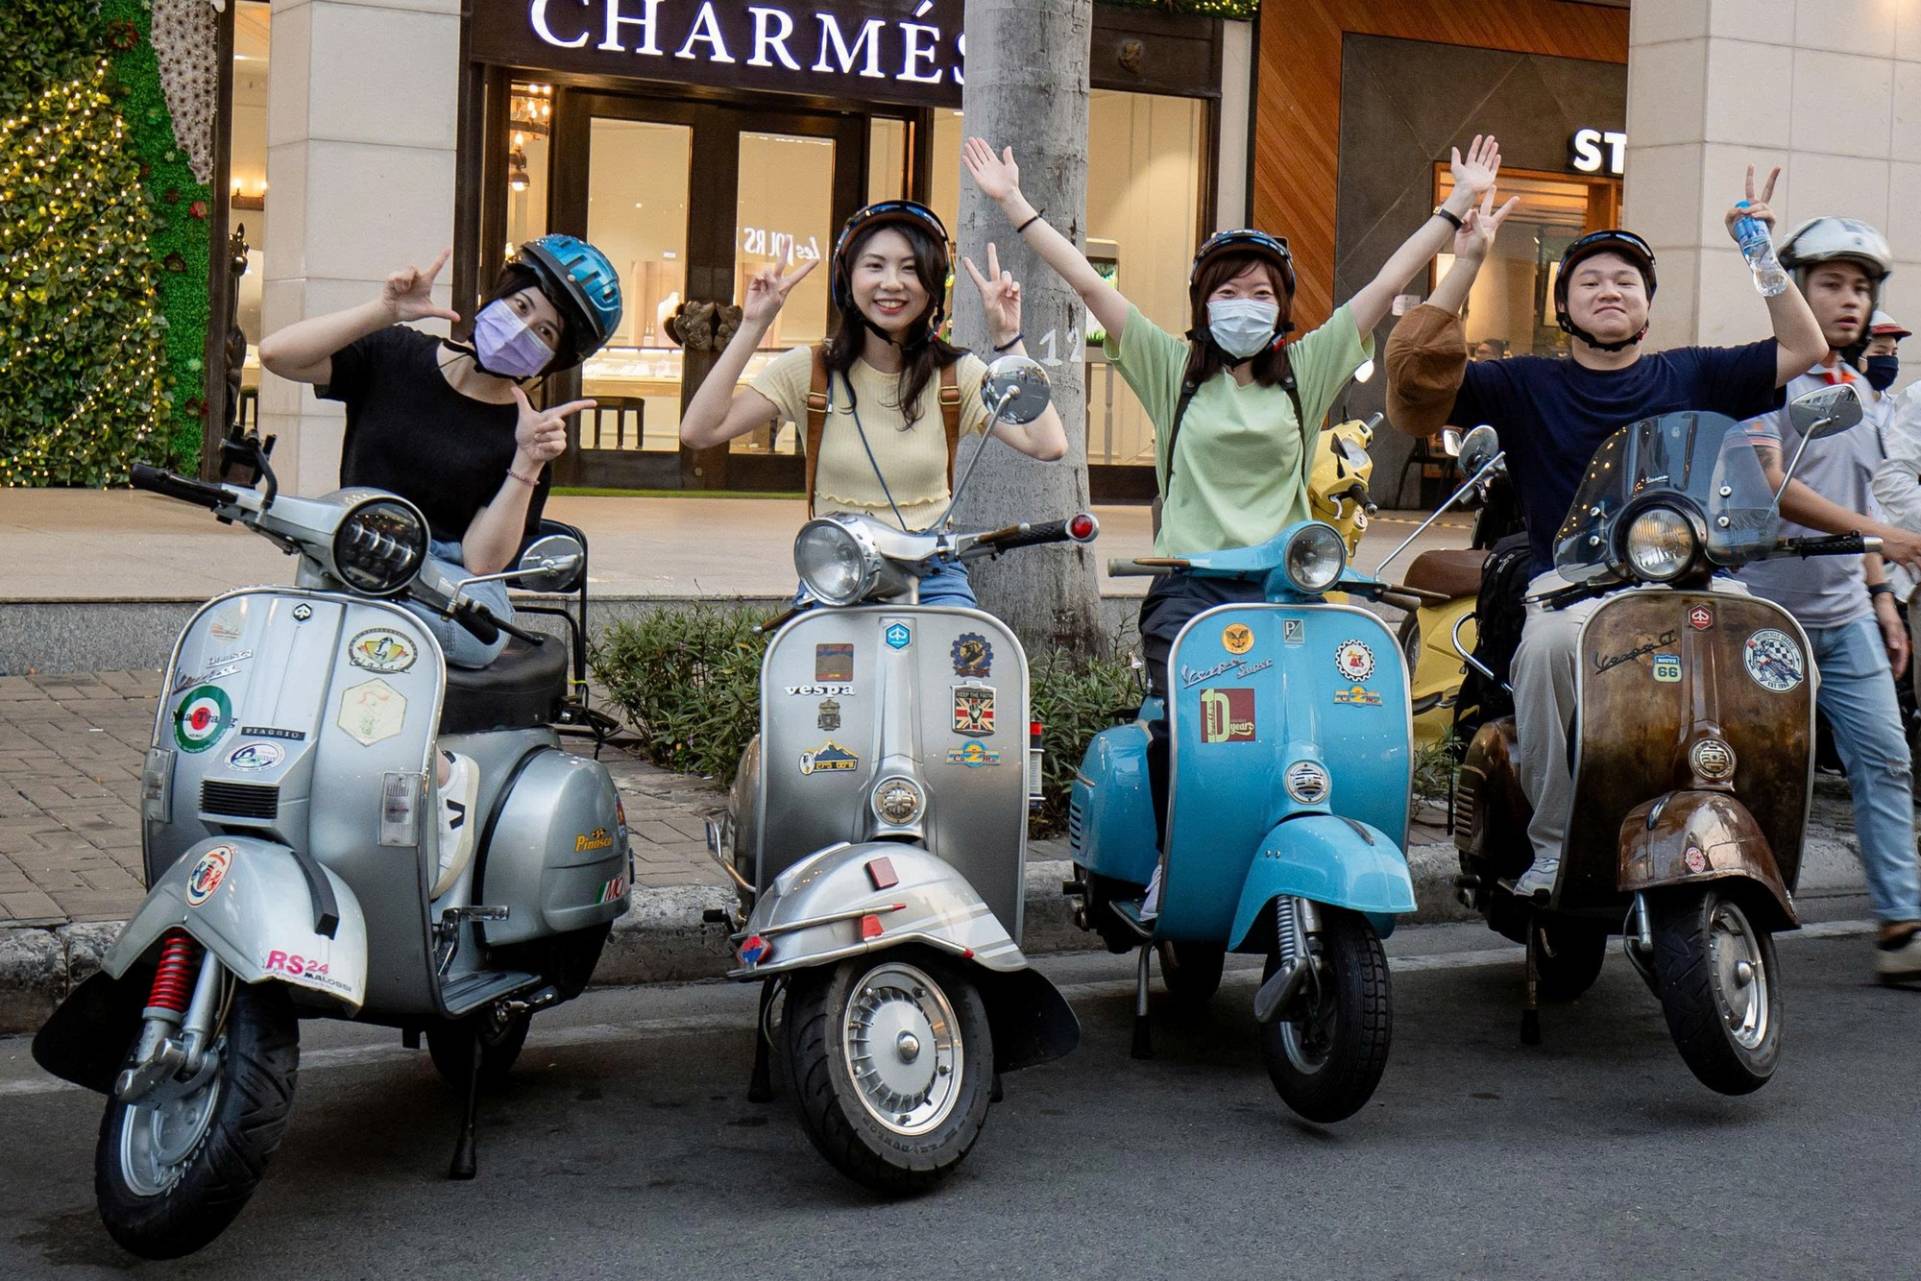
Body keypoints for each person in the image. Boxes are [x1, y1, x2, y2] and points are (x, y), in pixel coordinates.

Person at [964, 131, 1514, 899]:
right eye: (1228, 293)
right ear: (1202, 304)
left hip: (1287, 593)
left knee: (1325, 726)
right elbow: (1087, 282)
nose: (1244, 306)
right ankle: (1169, 861)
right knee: (1182, 729)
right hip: (1190, 591)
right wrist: (1015, 203)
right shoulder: (1169, 367)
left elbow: (1387, 278)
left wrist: (1453, 209)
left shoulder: (1306, 369)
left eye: (1261, 294)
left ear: (1282, 306)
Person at [1384, 165, 1839, 902]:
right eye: (1589, 280)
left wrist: (1757, 247)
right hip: (1574, 587)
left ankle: (1749, 819)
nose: (1609, 290)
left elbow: (1804, 346)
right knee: (1545, 654)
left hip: (1691, 579)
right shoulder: (1525, 382)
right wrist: (1466, 261)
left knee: (1783, 656)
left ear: (1647, 304)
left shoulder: (1693, 372)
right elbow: (1415, 382)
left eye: (1626, 280)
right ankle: (1551, 845)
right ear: (1563, 304)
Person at [257, 235, 620, 898]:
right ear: (495, 297)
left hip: (448, 585)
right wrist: (383, 310)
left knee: (383, 632)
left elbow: (485, 560)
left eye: (544, 333)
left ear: (554, 359)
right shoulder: (397, 356)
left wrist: (526, 462)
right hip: (357, 561)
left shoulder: (527, 430)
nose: (522, 331)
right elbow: (279, 354)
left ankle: (446, 777)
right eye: (520, 308)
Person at [677, 200, 1068, 608]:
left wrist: (1008, 338)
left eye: (911, 269)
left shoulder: (956, 375)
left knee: (962, 648)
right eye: (875, 266)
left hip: (933, 574)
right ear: (847, 279)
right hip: (835, 570)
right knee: (806, 652)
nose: (892, 283)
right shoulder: (811, 370)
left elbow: (1047, 444)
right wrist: (754, 323)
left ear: (934, 285)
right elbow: (699, 431)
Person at [1730, 216, 1921, 980]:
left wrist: (1880, 597)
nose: (1848, 300)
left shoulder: (1860, 391)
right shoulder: (1761, 379)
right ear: (1798, 290)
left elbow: (1855, 499)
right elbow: (1774, 485)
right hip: (1764, 615)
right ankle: (1731, 920)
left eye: (1860, 287)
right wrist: (1884, 534)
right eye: (1830, 284)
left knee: (1886, 759)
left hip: (1845, 615)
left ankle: (1899, 925)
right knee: (1756, 772)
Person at [1861, 309, 1909, 389]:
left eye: (1894, 353)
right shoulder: (1839, 392)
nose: (1888, 360)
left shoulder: (1897, 398)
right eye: (1880, 352)